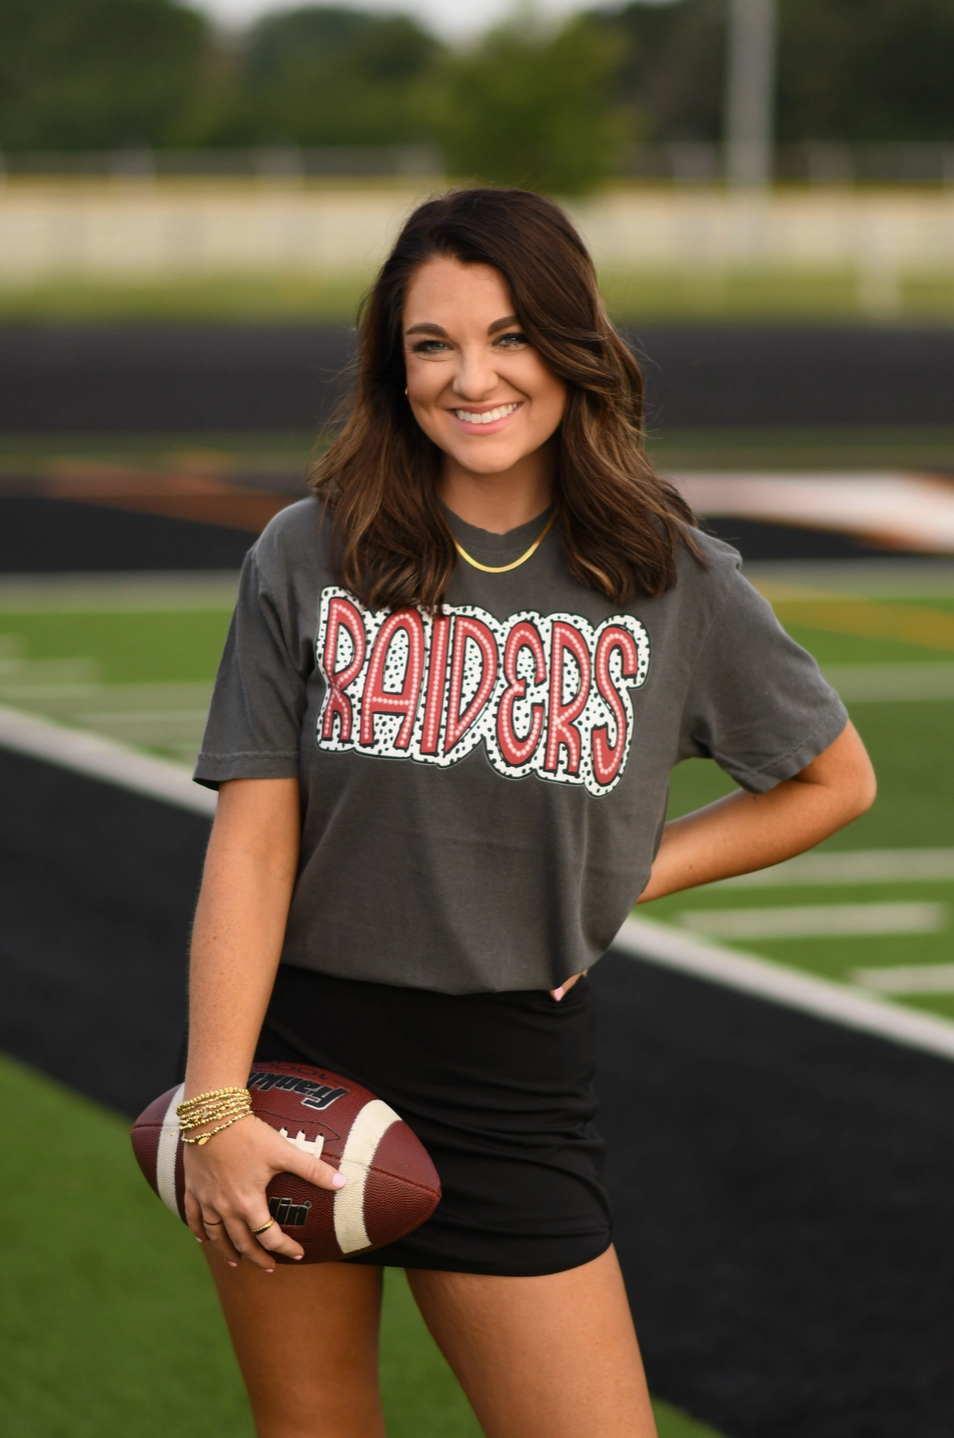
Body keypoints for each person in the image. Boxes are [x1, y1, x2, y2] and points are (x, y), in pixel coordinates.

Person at [181, 188, 876, 1438]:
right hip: (299, 1058)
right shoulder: (307, 551)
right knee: (311, 1426)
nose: (470, 377)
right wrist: (216, 1105)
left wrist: (619, 882)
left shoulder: (673, 576)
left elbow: (832, 781)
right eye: (430, 344)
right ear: (393, 371)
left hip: (510, 1074)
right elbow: (254, 837)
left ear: (572, 349)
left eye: (510, 336)